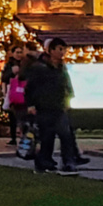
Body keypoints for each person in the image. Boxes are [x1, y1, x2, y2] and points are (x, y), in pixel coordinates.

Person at [24, 38, 83, 174]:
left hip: (59, 106)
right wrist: (31, 104)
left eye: (64, 49)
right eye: (59, 49)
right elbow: (30, 87)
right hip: (43, 106)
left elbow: (66, 83)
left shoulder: (61, 67)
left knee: (65, 134)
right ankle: (44, 162)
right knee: (46, 136)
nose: (62, 53)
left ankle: (68, 162)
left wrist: (69, 96)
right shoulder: (39, 67)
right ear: (51, 51)